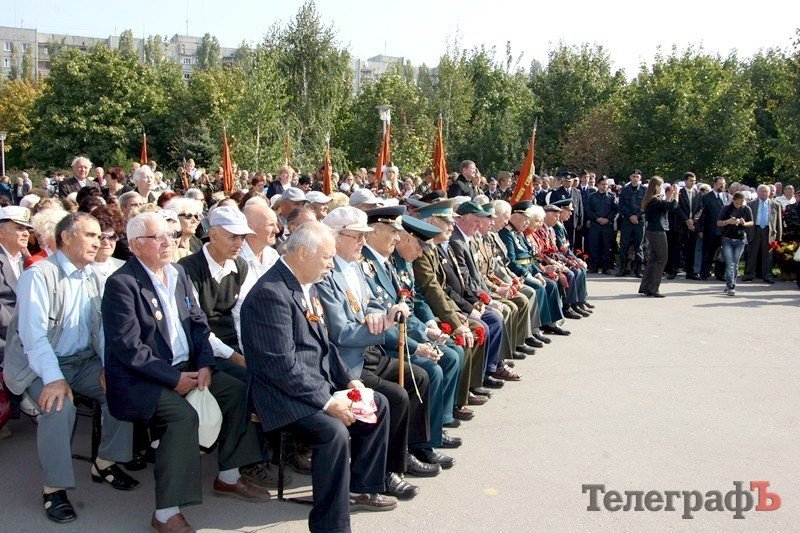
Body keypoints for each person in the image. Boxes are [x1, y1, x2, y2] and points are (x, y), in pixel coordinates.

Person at [103, 212, 269, 533]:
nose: (169, 242)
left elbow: (197, 324)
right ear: (136, 246)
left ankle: (229, 476)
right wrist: (173, 379)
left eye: (170, 235)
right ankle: (165, 512)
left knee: (237, 391)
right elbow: (129, 349)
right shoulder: (122, 284)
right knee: (182, 417)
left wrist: (205, 363)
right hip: (145, 379)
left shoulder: (176, 273)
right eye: (158, 237)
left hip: (188, 368)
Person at [241, 221, 397, 532]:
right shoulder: (271, 294)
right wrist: (328, 403)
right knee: (333, 432)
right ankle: (331, 523)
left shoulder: (304, 285)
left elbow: (326, 345)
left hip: (311, 384)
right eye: (326, 257)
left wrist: (349, 382)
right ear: (302, 254)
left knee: (375, 403)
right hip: (280, 395)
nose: (330, 264)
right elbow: (281, 367)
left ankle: (360, 487)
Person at [3, 212, 137, 524]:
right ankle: (54, 489)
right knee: (60, 407)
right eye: (90, 235)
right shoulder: (38, 275)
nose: (100, 242)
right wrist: (54, 379)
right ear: (66, 237)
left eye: (101, 236)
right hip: (38, 364)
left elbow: (102, 330)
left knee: (122, 387)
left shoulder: (94, 276)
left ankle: (104, 462)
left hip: (82, 360)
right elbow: (33, 338)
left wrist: (107, 366)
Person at [317, 207, 441, 484]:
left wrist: (375, 312)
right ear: (335, 237)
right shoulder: (326, 275)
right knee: (394, 396)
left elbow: (373, 300)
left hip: (369, 351)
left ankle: (407, 451)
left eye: (364, 236)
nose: (363, 242)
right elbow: (340, 333)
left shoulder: (357, 267)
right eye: (356, 237)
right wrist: (382, 324)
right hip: (348, 361)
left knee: (418, 377)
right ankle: (382, 473)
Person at [0, 206, 33, 365]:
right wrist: (21, 332)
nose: (26, 233)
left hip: (25, 338)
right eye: (20, 228)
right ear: (1, 232)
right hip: (6, 341)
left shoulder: (24, 260)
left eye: (27, 228)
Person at [637, 177, 678, 297]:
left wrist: (669, 196)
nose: (662, 188)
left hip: (653, 230)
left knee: (654, 259)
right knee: (661, 258)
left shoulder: (652, 199)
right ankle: (653, 287)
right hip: (657, 231)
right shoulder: (655, 200)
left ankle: (646, 286)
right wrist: (676, 194)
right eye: (661, 185)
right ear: (656, 187)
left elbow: (664, 208)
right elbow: (673, 206)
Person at [743, 184, 783, 284]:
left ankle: (767, 275)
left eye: (766, 191)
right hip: (755, 230)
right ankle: (749, 275)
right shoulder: (751, 204)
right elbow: (747, 219)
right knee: (752, 254)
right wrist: (746, 233)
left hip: (768, 231)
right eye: (762, 191)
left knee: (768, 255)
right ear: (758, 192)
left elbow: (778, 222)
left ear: (769, 193)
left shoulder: (775, 204)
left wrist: (779, 237)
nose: (764, 193)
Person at [717, 192, 754, 295]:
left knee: (735, 263)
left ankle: (731, 283)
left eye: (741, 203)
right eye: (737, 203)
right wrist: (728, 221)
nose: (739, 205)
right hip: (727, 238)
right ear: (733, 200)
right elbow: (719, 223)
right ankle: (731, 286)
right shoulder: (726, 209)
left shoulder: (746, 209)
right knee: (730, 263)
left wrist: (743, 223)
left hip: (740, 239)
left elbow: (751, 222)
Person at [615, 170, 646, 277]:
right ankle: (622, 269)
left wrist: (636, 216)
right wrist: (630, 216)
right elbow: (621, 205)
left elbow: (645, 206)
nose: (635, 178)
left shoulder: (644, 190)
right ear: (630, 177)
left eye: (637, 176)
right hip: (627, 221)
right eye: (633, 176)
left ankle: (638, 270)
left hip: (639, 221)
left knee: (639, 246)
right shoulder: (625, 190)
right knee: (624, 245)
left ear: (640, 178)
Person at [700, 176, 731, 281]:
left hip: (725, 231)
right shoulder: (706, 197)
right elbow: (702, 215)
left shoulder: (728, 197)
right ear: (714, 184)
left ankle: (720, 274)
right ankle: (704, 273)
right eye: (720, 184)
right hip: (710, 230)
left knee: (723, 253)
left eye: (724, 184)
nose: (722, 186)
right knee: (708, 252)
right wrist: (700, 230)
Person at [585, 177, 618, 274]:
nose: (604, 186)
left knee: (606, 247)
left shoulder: (612, 196)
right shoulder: (591, 196)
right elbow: (588, 209)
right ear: (598, 185)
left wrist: (608, 219)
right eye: (602, 184)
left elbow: (615, 210)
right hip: (595, 224)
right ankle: (593, 267)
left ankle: (606, 268)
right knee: (594, 246)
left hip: (607, 225)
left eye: (606, 184)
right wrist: (596, 218)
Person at [677, 172, 703, 280]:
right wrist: (686, 220)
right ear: (685, 181)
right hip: (681, 224)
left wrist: (693, 220)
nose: (693, 183)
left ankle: (690, 271)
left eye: (694, 181)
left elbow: (700, 208)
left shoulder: (697, 192)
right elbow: (677, 207)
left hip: (693, 225)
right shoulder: (679, 192)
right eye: (691, 180)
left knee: (691, 248)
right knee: (677, 247)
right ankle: (674, 270)